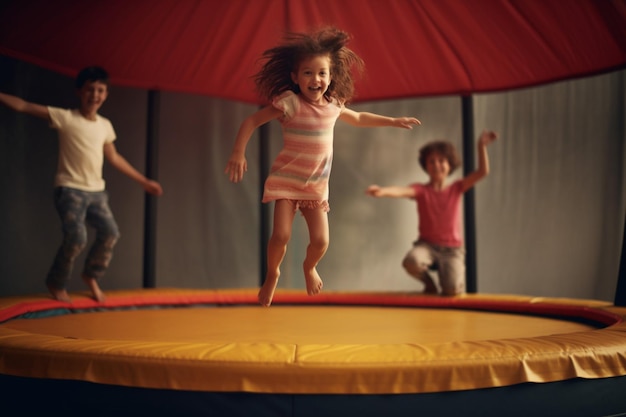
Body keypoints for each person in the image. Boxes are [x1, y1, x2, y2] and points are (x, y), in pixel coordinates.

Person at [225, 27, 421, 306]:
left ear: (330, 77)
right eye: (307, 73)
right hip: (287, 181)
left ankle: (309, 267)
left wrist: (392, 121)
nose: (315, 79)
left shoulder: (333, 106)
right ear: (295, 77)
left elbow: (360, 118)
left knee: (321, 242)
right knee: (280, 234)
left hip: (315, 187)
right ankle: (272, 273)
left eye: (321, 73)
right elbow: (252, 122)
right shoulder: (289, 103)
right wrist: (238, 152)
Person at [0, 66, 163, 303]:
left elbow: (114, 157)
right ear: (80, 91)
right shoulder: (67, 118)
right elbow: (25, 106)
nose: (95, 95)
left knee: (110, 233)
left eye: (100, 90)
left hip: (97, 192)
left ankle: (91, 275)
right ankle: (56, 282)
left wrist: (144, 181)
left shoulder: (104, 125)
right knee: (77, 237)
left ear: (105, 95)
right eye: (90, 90)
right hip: (70, 189)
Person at [366, 130, 498, 296]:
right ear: (426, 166)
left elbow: (482, 172)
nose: (436, 165)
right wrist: (382, 191)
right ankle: (429, 285)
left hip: (452, 250)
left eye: (441, 161)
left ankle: (449, 278)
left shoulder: (456, 188)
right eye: (431, 161)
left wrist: (481, 146)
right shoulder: (421, 190)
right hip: (426, 246)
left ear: (450, 165)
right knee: (411, 262)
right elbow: (402, 191)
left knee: (452, 290)